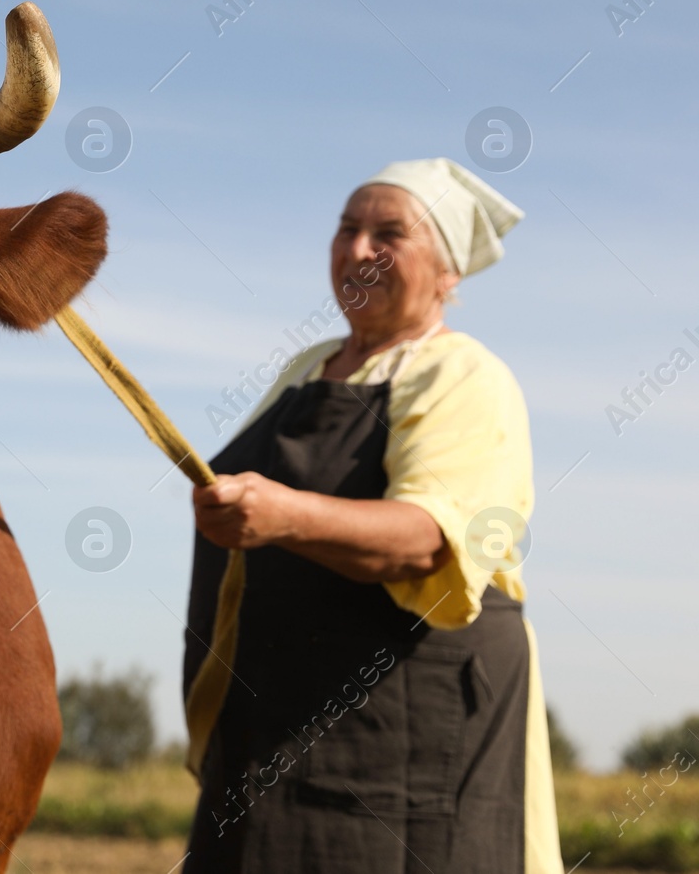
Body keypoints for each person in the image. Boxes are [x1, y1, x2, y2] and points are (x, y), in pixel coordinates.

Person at [181, 158, 564, 874]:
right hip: (275, 733)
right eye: (347, 229)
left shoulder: (464, 374)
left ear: (448, 274)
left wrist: (284, 515)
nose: (358, 249)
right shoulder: (305, 367)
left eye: (389, 233)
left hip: (401, 749)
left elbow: (427, 541)